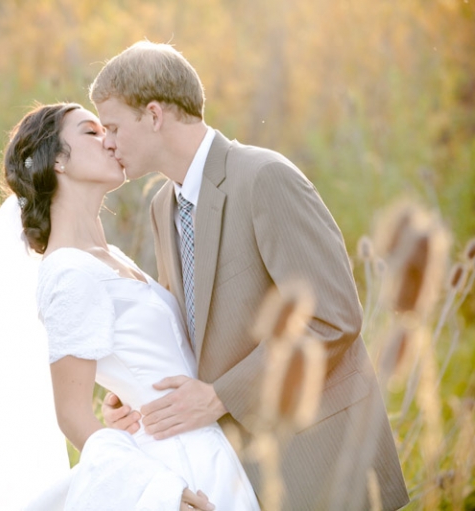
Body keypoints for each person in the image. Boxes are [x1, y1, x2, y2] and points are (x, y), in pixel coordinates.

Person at [90, 41, 409, 510]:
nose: (108, 142)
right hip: (240, 472)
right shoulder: (163, 207)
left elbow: (331, 317)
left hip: (320, 461)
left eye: (114, 126)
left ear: (154, 115)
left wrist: (220, 397)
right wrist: (135, 391)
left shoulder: (264, 178)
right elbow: (194, 329)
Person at [0, 102, 261, 510]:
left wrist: (124, 392)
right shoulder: (69, 272)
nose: (110, 141)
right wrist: (160, 493)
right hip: (177, 470)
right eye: (91, 132)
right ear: (57, 161)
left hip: (206, 445)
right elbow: (72, 415)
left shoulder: (108, 257)